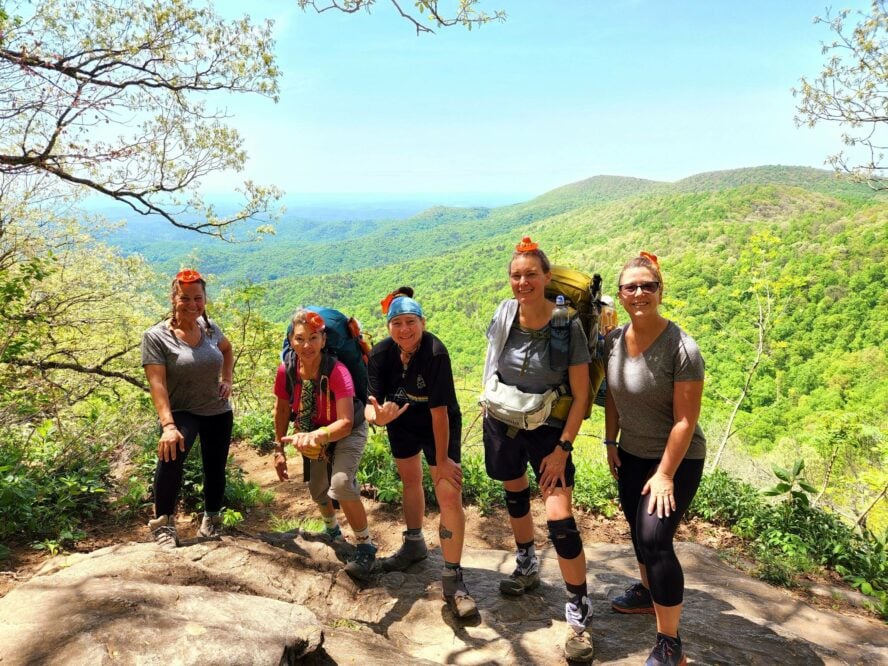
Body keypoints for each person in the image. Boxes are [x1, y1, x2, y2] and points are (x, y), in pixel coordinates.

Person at [481, 237, 594, 663]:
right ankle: (527, 562)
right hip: (505, 420)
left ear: (547, 277)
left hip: (549, 429)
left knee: (560, 518)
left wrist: (563, 448)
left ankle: (579, 614)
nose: (523, 281)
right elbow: (492, 362)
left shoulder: (567, 326)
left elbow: (581, 396)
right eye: (516, 275)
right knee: (514, 490)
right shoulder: (505, 313)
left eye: (531, 274)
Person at [603, 252, 705, 666]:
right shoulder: (612, 341)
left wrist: (665, 474)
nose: (640, 293)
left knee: (656, 539)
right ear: (622, 294)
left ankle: (670, 644)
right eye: (632, 286)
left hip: (676, 459)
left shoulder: (682, 348)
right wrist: (610, 442)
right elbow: (609, 394)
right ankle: (647, 593)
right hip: (630, 451)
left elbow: (685, 420)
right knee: (636, 529)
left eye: (648, 285)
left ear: (660, 290)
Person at [365, 287, 478, 618]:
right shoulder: (380, 354)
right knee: (409, 481)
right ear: (388, 326)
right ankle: (414, 544)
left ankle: (453, 576)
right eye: (396, 322)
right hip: (400, 419)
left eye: (410, 321)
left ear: (423, 322)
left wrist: (442, 461)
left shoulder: (435, 352)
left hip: (438, 425)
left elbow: (439, 412)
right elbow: (371, 407)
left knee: (447, 491)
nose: (404, 329)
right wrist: (378, 418)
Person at [272, 309, 376, 581]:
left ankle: (365, 546)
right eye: (300, 339)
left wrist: (318, 437)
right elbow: (282, 409)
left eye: (313, 338)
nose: (307, 345)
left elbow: (343, 422)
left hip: (348, 429)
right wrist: (278, 449)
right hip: (312, 430)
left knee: (340, 484)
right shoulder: (288, 370)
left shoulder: (338, 371)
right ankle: (332, 531)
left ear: (323, 339)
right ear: (290, 341)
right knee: (318, 490)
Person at [142, 269, 234, 548]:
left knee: (215, 466)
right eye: (185, 298)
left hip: (217, 410)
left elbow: (227, 349)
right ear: (173, 298)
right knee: (170, 461)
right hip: (180, 410)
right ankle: (163, 524)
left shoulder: (209, 328)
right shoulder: (157, 336)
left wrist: (227, 379)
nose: (192, 304)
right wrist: (168, 426)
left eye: (198, 298)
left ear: (205, 299)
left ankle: (212, 518)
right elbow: (156, 383)